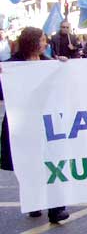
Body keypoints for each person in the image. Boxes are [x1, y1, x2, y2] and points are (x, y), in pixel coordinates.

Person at [0, 27, 70, 223]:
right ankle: (34, 201)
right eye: (42, 40)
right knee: (29, 165)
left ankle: (57, 209)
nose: (46, 44)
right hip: (23, 123)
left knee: (52, 162)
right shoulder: (12, 65)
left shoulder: (49, 62)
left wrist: (64, 66)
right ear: (31, 42)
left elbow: (64, 85)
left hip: (47, 123)